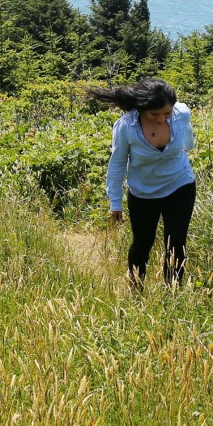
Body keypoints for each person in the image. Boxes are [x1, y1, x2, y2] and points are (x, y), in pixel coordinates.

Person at [88, 78, 196, 285]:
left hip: (180, 185)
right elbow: (117, 164)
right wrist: (115, 201)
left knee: (176, 243)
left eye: (167, 113)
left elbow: (188, 138)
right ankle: (136, 288)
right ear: (142, 109)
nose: (161, 119)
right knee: (142, 243)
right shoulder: (126, 126)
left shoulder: (181, 113)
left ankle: (172, 293)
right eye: (154, 114)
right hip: (143, 193)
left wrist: (185, 145)